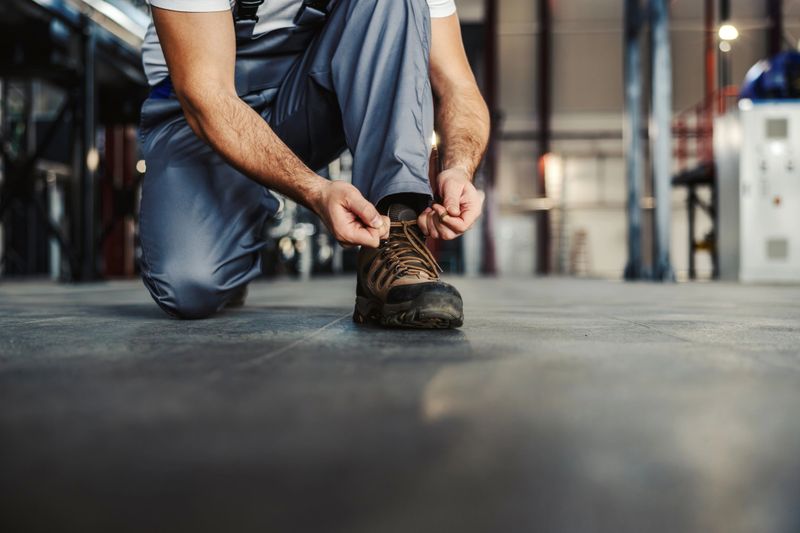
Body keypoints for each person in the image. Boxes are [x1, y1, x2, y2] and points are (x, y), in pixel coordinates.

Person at [138, 0, 489, 328]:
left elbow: (458, 85)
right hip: (198, 114)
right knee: (190, 285)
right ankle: (235, 227)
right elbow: (205, 95)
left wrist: (458, 167)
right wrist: (314, 190)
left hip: (305, 95)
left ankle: (393, 231)